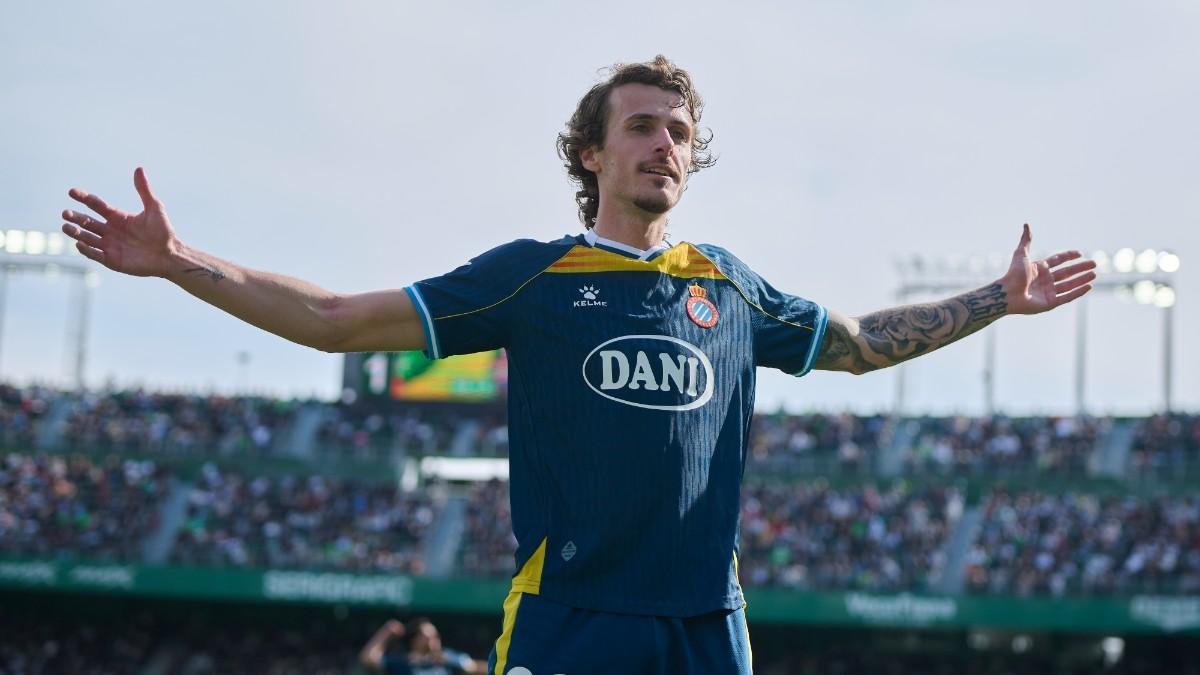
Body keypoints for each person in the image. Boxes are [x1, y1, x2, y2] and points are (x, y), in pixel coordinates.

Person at [60, 55, 1096, 675]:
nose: (664, 145)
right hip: (573, 623)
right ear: (591, 155)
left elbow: (865, 345)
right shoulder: (533, 280)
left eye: (680, 133)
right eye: (640, 127)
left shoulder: (731, 289)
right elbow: (337, 319)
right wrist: (180, 262)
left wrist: (998, 301)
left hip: (707, 624)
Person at [360, 618, 486, 675]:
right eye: (428, 636)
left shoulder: (447, 659)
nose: (434, 640)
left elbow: (474, 667)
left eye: (436, 636)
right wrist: (386, 632)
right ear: (415, 640)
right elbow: (368, 659)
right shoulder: (403, 663)